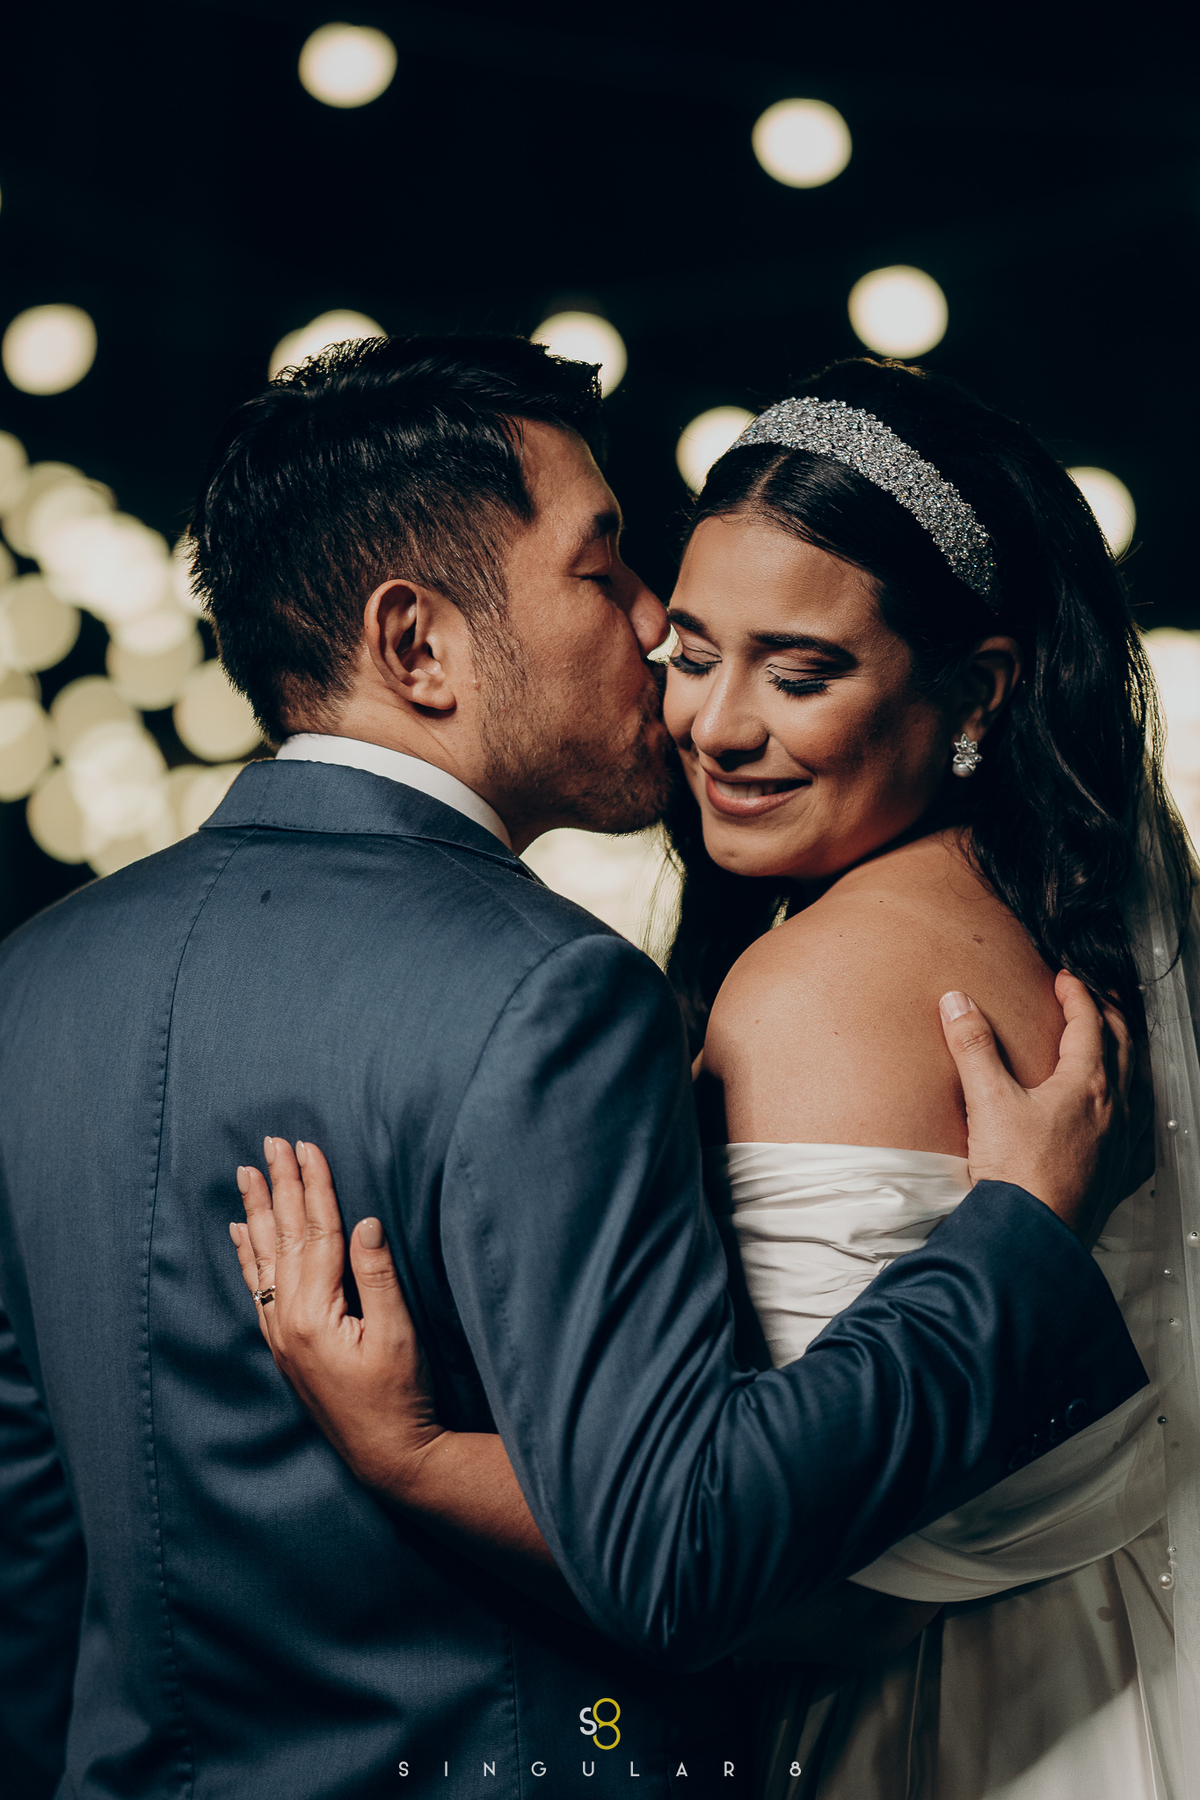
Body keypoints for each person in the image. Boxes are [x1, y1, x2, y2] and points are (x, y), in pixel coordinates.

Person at [0, 339, 1148, 1800]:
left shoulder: (31, 987)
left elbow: (32, 1562)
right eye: (603, 572)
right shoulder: (548, 989)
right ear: (418, 644)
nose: (656, 623)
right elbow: (678, 1549)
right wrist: (1017, 1242)